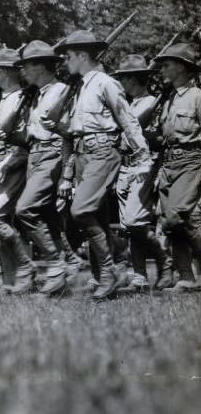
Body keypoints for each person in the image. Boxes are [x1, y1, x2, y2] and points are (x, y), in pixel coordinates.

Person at [48, 30, 151, 300]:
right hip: (83, 154)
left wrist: (142, 156)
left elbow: (127, 119)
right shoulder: (79, 87)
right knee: (99, 218)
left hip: (104, 151)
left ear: (83, 55)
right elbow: (73, 132)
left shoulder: (105, 82)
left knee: (81, 210)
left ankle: (109, 271)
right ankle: (102, 280)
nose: (66, 62)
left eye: (69, 56)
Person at [14, 41, 69, 297]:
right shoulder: (36, 95)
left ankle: (58, 264)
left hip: (52, 152)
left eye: (27, 65)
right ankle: (69, 269)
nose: (23, 71)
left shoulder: (63, 91)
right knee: (47, 216)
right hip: (34, 155)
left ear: (41, 66)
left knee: (25, 209)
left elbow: (66, 130)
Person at [113, 54, 171, 291]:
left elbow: (156, 136)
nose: (121, 83)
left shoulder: (152, 103)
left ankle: (165, 261)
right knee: (129, 227)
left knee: (135, 221)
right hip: (125, 166)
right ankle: (139, 277)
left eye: (124, 78)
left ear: (132, 79)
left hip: (143, 165)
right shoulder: (129, 104)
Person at [0, 48, 33, 296]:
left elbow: (25, 143)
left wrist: (6, 165)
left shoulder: (22, 99)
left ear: (4, 72)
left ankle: (26, 266)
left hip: (10, 165)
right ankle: (10, 282)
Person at [152, 42, 201, 293]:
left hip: (191, 161)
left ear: (181, 67)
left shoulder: (197, 97)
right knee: (173, 222)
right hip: (168, 163)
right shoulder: (168, 99)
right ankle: (187, 277)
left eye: (167, 64)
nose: (163, 69)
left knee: (177, 216)